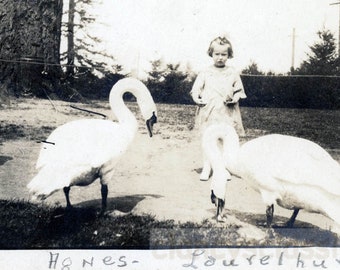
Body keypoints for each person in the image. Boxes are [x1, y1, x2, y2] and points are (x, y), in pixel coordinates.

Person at [191, 35, 247, 181]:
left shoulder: (232, 72)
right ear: (211, 54)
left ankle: (223, 168)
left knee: (224, 140)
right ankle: (207, 167)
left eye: (224, 54)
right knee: (208, 139)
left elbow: (239, 91)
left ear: (229, 55)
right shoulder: (205, 72)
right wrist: (197, 98)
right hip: (209, 111)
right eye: (217, 54)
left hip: (226, 112)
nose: (220, 57)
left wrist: (234, 99)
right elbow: (196, 89)